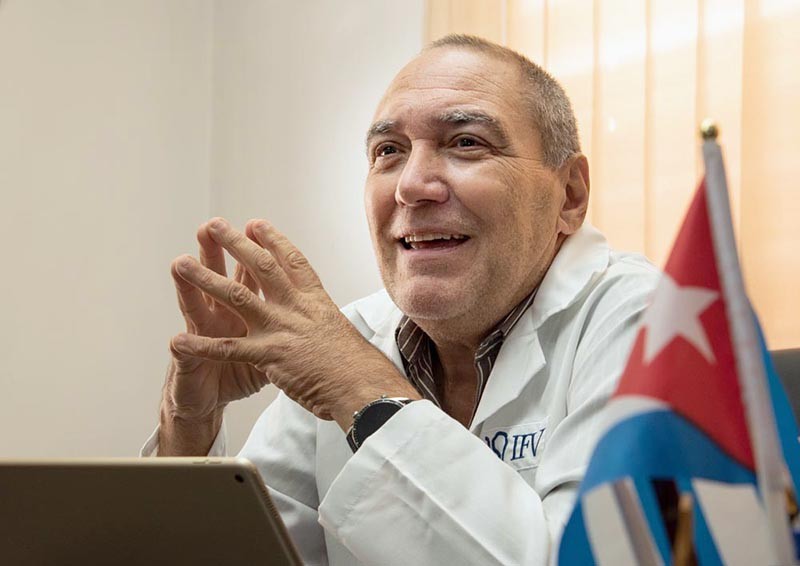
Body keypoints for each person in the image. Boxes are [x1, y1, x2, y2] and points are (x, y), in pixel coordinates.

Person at [143, 34, 659, 565]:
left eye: (466, 142)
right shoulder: (353, 335)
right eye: (388, 152)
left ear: (569, 195)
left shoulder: (644, 320)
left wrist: (357, 385)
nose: (412, 186)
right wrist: (189, 426)